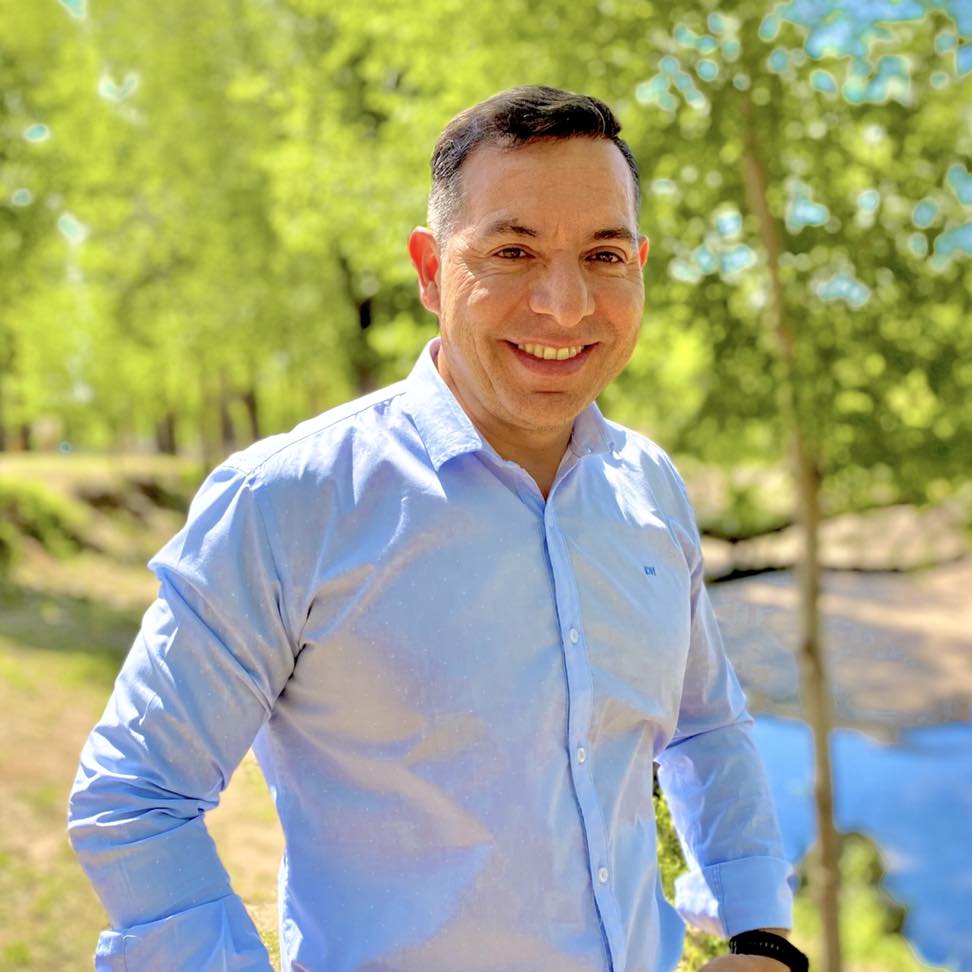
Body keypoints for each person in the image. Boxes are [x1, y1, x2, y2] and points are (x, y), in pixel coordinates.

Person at [68, 85, 805, 972]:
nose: (565, 304)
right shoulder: (289, 503)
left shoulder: (649, 488)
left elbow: (706, 726)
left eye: (603, 254)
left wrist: (760, 934)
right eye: (513, 251)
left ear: (639, 265)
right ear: (429, 270)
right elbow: (135, 797)